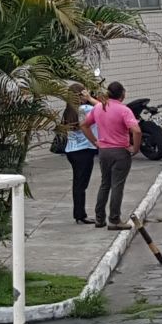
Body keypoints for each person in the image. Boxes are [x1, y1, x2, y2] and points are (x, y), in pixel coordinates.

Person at [81, 81, 141, 230]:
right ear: (122, 94)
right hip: (120, 151)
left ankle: (99, 218)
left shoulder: (98, 108)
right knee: (117, 186)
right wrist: (136, 148)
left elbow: (84, 125)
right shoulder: (124, 110)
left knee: (105, 184)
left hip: (104, 151)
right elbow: (137, 130)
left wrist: (95, 141)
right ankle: (114, 219)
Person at [62, 83, 100, 225]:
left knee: (78, 183)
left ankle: (79, 214)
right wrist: (90, 98)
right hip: (84, 151)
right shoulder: (85, 109)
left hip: (72, 151)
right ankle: (80, 215)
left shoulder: (69, 110)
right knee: (81, 184)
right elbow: (105, 108)